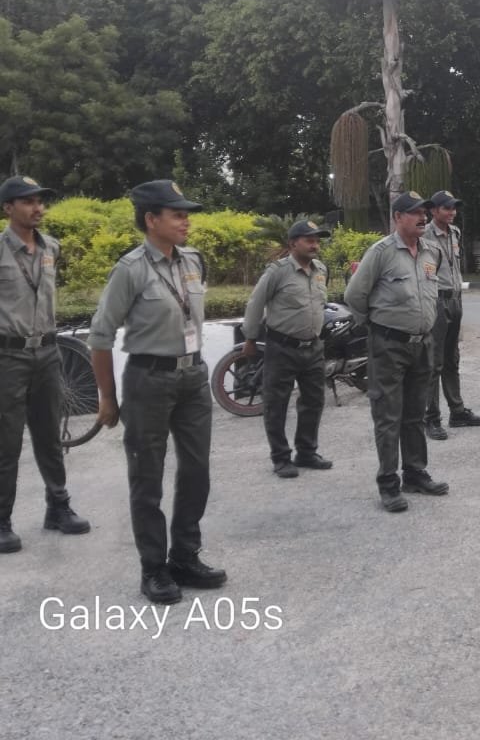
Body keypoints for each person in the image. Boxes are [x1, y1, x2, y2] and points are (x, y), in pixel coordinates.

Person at [89, 180, 225, 604]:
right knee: (147, 477)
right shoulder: (130, 269)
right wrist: (107, 398)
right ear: (151, 219)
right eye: (176, 214)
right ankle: (153, 568)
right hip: (148, 380)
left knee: (196, 470)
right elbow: (100, 336)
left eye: (186, 214)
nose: (186, 221)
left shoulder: (193, 261)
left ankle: (184, 556)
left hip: (193, 377)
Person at [0, 175, 91, 555]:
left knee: (49, 436)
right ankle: (2, 521)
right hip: (8, 356)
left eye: (40, 201)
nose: (37, 208)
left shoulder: (51, 247)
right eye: (28, 201)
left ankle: (58, 507)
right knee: (6, 441)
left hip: (48, 353)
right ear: (8, 208)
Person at [344, 191, 449, 512]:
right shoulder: (382, 252)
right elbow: (354, 295)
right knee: (388, 416)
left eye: (424, 212)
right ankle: (389, 483)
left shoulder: (432, 251)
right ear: (397, 217)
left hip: (422, 344)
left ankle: (415, 473)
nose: (422, 217)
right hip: (388, 346)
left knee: (415, 414)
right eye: (415, 212)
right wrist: (377, 326)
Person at [241, 219, 333, 479]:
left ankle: (306, 452)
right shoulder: (278, 272)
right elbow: (256, 303)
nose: (315, 245)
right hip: (282, 347)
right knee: (276, 404)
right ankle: (281, 457)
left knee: (314, 401)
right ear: (293, 244)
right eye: (309, 240)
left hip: (313, 347)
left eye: (317, 240)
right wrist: (250, 338)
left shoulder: (321, 269)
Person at [423, 190, 480, 439]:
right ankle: (431, 418)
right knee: (434, 362)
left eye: (454, 208)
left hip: (455, 299)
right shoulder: (425, 235)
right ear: (433, 210)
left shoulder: (455, 233)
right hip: (436, 300)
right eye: (446, 208)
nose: (452, 212)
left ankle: (457, 412)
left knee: (452, 359)